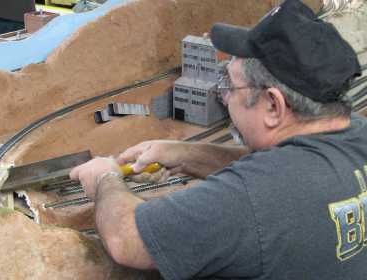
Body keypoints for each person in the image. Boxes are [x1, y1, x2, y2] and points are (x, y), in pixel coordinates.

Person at [70, 0, 367, 278]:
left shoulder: (251, 198)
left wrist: (104, 178)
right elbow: (279, 171)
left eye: (231, 86)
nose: (223, 97)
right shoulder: (354, 130)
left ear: (273, 106)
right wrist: (187, 155)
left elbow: (127, 239)